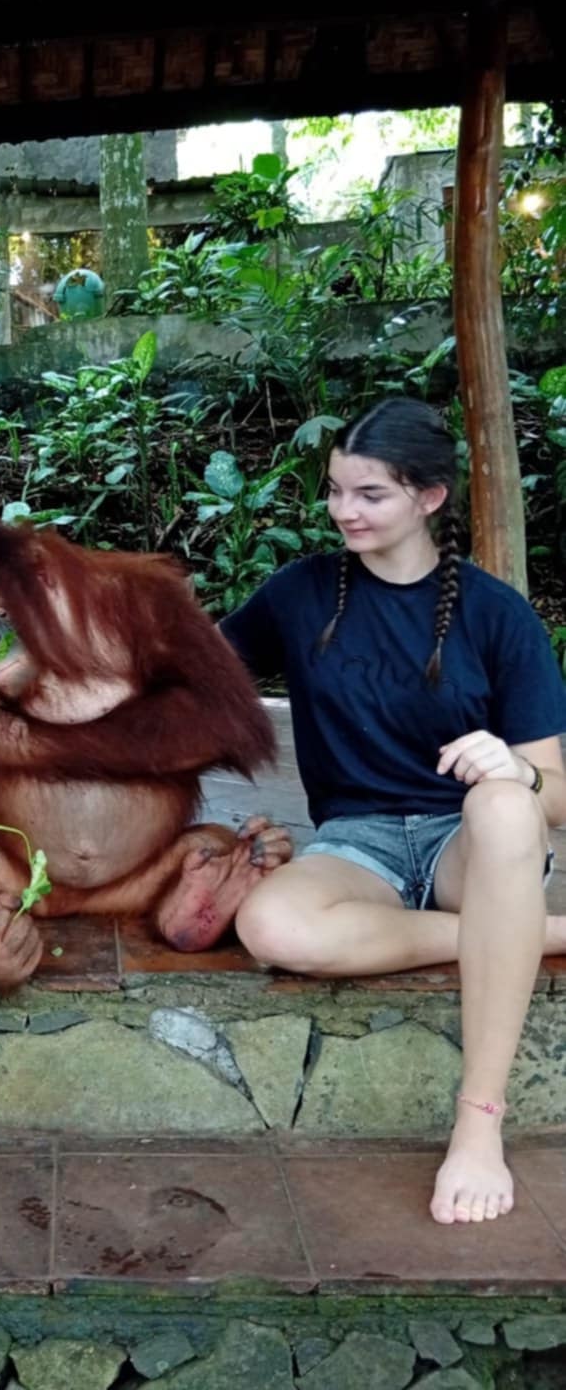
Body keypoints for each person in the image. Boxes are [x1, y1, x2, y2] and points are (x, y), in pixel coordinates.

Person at [223, 398, 566, 1226]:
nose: (344, 510)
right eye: (336, 490)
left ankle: (478, 1125)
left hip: (467, 848)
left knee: (506, 808)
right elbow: (187, 670)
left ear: (429, 497)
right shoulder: (301, 594)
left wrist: (517, 769)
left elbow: (556, 796)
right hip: (358, 845)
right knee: (271, 927)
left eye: (370, 494)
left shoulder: (496, 614)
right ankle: (532, 934)